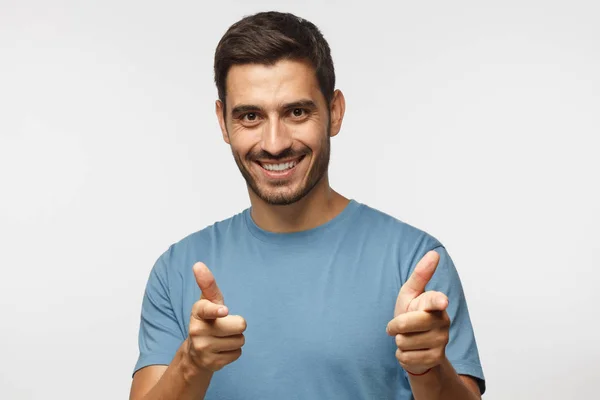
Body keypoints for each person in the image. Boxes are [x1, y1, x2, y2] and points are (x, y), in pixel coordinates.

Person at [129, 11, 485, 400]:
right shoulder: (177, 270)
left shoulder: (415, 261)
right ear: (223, 123)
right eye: (250, 116)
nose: (275, 142)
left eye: (296, 112)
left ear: (334, 112)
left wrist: (428, 367)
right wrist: (191, 364)